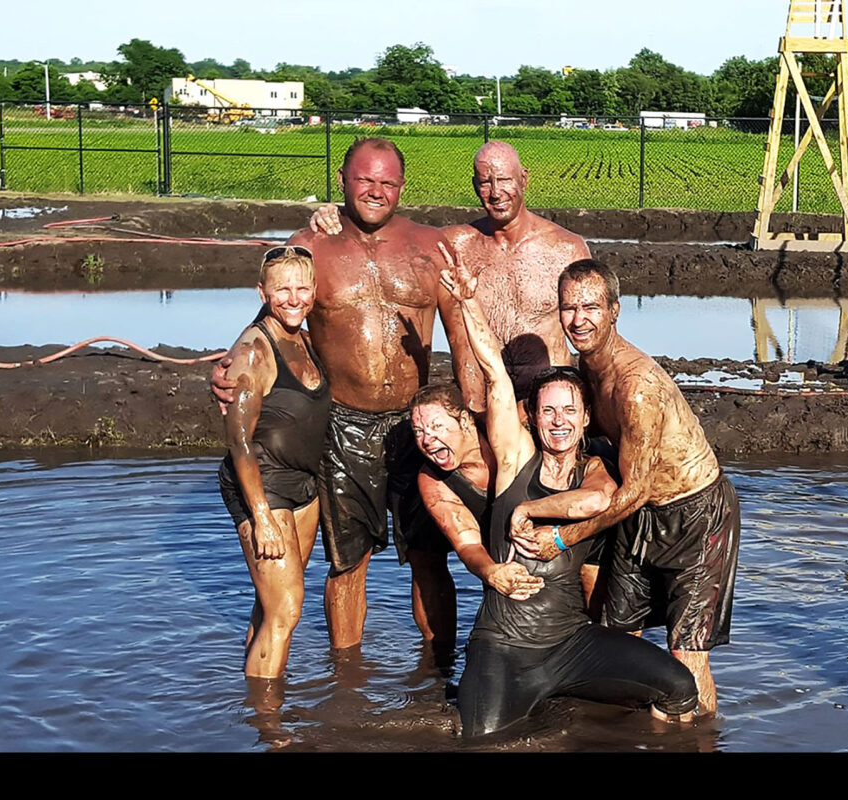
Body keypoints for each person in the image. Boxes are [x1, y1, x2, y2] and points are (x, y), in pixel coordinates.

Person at [310, 140, 608, 610]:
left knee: (574, 555)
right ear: (474, 186)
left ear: (524, 179)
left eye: (504, 178)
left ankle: (591, 652)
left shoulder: (565, 248)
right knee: (448, 548)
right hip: (473, 426)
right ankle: (434, 670)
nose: (495, 190)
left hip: (545, 430)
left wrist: (602, 412)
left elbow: (593, 333)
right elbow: (379, 231)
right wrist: (330, 215)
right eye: (485, 181)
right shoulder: (453, 246)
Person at [212, 138, 461, 654]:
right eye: (364, 180)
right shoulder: (312, 245)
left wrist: (472, 415)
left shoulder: (430, 246)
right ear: (343, 180)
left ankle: (439, 673)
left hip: (417, 426)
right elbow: (277, 311)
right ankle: (346, 687)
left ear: (402, 186)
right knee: (349, 561)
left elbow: (462, 337)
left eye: (387, 182)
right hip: (344, 425)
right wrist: (236, 368)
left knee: (429, 555)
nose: (375, 191)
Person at [438, 246, 698, 738]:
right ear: (533, 419)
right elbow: (494, 372)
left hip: (570, 645)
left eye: (569, 412)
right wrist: (469, 303)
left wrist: (531, 512)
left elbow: (599, 502)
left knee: (680, 686)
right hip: (504, 646)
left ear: (584, 420)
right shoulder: (515, 458)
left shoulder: (595, 466)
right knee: (481, 743)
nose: (558, 421)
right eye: (548, 412)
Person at [512, 258, 741, 720]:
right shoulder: (588, 365)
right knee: (616, 637)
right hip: (640, 517)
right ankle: (622, 734)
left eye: (591, 307)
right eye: (568, 308)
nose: (578, 320)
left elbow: (633, 491)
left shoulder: (636, 386)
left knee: (687, 651)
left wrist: (560, 537)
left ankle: (699, 739)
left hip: (695, 514)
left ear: (614, 310)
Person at [217, 245, 331, 679]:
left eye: (302, 288)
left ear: (314, 291)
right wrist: (261, 516)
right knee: (286, 609)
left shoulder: (301, 335)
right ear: (261, 292)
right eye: (282, 289)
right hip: (263, 485)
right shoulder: (253, 351)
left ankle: (257, 696)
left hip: (302, 482)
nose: (293, 298)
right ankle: (268, 727)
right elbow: (240, 441)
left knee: (273, 603)